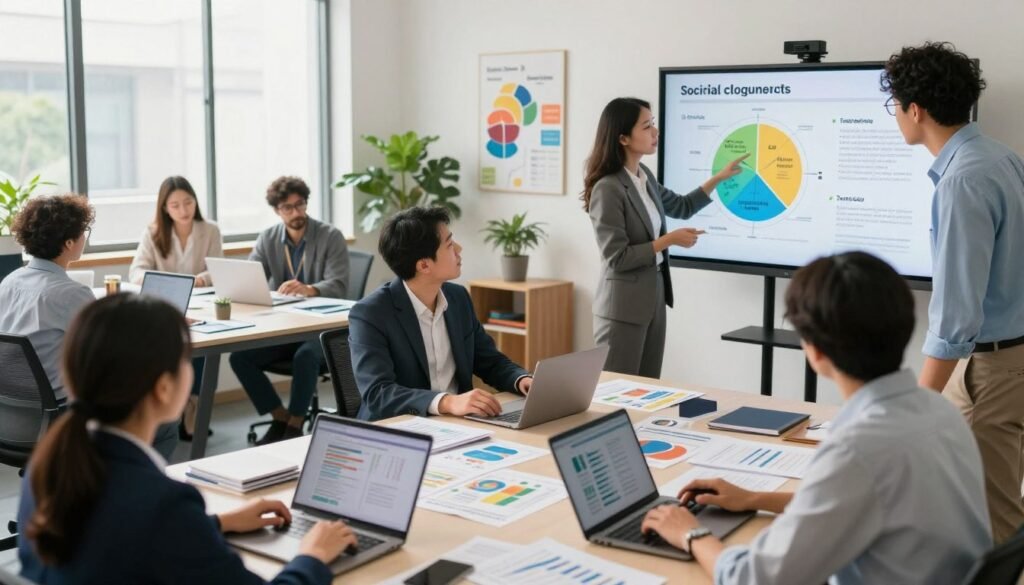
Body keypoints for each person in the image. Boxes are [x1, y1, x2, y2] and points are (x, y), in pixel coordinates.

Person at [640, 252, 991, 585]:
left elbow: (757, 578)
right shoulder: (939, 411)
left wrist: (690, 533)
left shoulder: (859, 448)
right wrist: (755, 499)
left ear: (815, 351)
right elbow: (861, 503)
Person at [17, 294, 356, 584]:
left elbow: (120, 537)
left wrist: (217, 523)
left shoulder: (49, 465)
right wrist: (313, 555)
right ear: (163, 388)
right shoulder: (165, 505)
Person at [882, 42, 1024, 543]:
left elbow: (956, 315)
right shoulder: (1002, 157)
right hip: (1008, 360)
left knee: (990, 519)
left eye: (894, 105)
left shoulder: (963, 180)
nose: (895, 115)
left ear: (915, 110)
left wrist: (917, 405)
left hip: (990, 368)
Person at [582, 97, 746, 378]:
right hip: (622, 307)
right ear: (622, 138)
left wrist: (719, 177)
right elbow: (617, 258)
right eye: (647, 127)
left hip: (653, 298)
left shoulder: (642, 175)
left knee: (647, 389)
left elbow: (682, 206)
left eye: (653, 125)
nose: (655, 132)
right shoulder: (608, 188)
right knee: (616, 393)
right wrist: (668, 240)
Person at [348, 206, 532, 421]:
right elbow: (378, 394)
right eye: (449, 244)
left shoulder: (458, 298)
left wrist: (521, 379)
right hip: (399, 428)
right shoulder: (370, 313)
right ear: (424, 265)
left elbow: (489, 360)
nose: (459, 249)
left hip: (458, 424)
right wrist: (447, 402)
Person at [229, 176, 349, 444]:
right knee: (240, 358)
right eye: (288, 208)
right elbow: (251, 276)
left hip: (323, 329)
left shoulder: (330, 236)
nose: (296, 213)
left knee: (306, 356)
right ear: (276, 210)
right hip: (286, 325)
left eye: (300, 205)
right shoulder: (269, 238)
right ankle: (279, 416)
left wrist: (310, 289)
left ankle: (294, 425)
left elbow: (339, 285)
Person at [129, 175, 224, 442]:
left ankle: (193, 409)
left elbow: (217, 268)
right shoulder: (153, 232)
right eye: (175, 205)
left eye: (188, 202)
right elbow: (137, 270)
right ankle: (176, 411)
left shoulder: (210, 230)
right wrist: (165, 282)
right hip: (165, 308)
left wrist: (203, 278)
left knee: (205, 350)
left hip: (202, 307)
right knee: (168, 351)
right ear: (164, 208)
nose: (183, 210)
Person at [0, 194, 95, 397]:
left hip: (11, 409)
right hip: (60, 409)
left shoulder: (9, 282)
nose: (84, 237)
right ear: (69, 243)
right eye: (84, 231)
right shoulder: (73, 295)